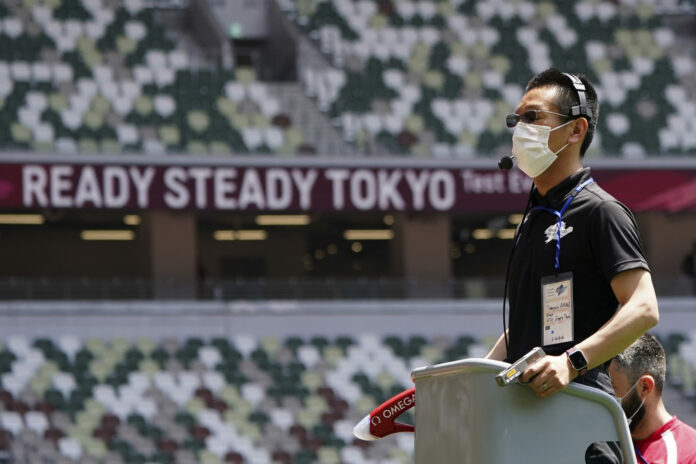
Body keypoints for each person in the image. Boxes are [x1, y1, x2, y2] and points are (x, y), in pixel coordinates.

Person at [484, 69, 659, 404]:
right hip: (527, 414)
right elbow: (523, 328)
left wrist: (571, 362)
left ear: (576, 129)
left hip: (582, 418)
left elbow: (644, 307)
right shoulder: (531, 221)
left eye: (532, 117)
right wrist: (475, 378)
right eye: (516, 120)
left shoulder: (602, 211)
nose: (521, 129)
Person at [609, 333, 696, 463]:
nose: (605, 398)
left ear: (645, 386)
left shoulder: (689, 452)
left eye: (612, 388)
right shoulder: (597, 445)